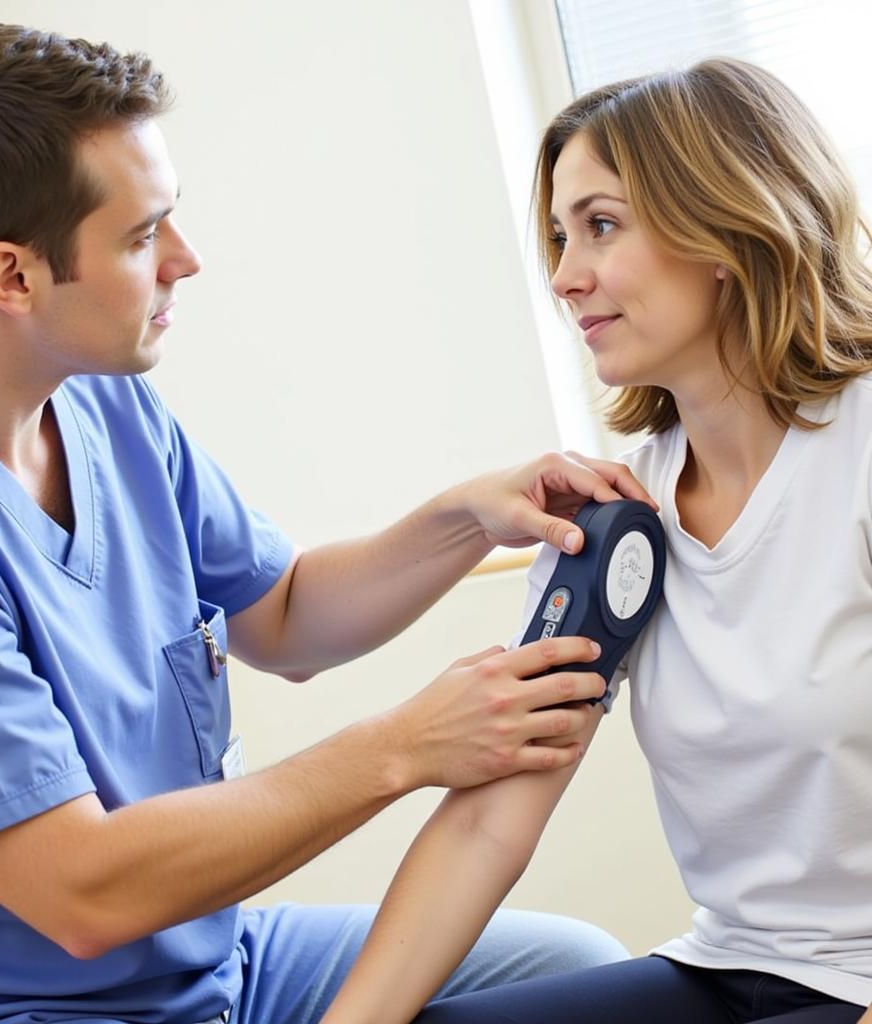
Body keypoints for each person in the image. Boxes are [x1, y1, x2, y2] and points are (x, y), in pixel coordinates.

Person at [0, 21, 654, 1024]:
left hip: (211, 965)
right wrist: (403, 747)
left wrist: (469, 519)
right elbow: (84, 892)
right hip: (31, 1005)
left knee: (568, 965)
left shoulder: (98, 399)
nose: (186, 259)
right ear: (12, 277)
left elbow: (284, 616)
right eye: (142, 237)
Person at [319, 57, 872, 1024]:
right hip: (736, 966)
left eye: (601, 226)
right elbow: (493, 818)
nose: (566, 279)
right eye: (559, 238)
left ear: (725, 227)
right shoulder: (618, 515)